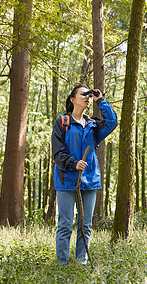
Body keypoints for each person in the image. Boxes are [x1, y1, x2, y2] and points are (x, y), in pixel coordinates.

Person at [52, 84, 118, 265]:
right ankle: (62, 266)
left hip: (90, 181)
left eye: (89, 95)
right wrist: (73, 164)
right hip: (66, 180)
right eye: (84, 94)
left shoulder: (94, 125)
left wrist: (101, 100)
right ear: (72, 99)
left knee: (86, 226)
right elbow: (57, 153)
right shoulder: (63, 122)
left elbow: (113, 122)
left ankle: (80, 263)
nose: (87, 97)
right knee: (65, 225)